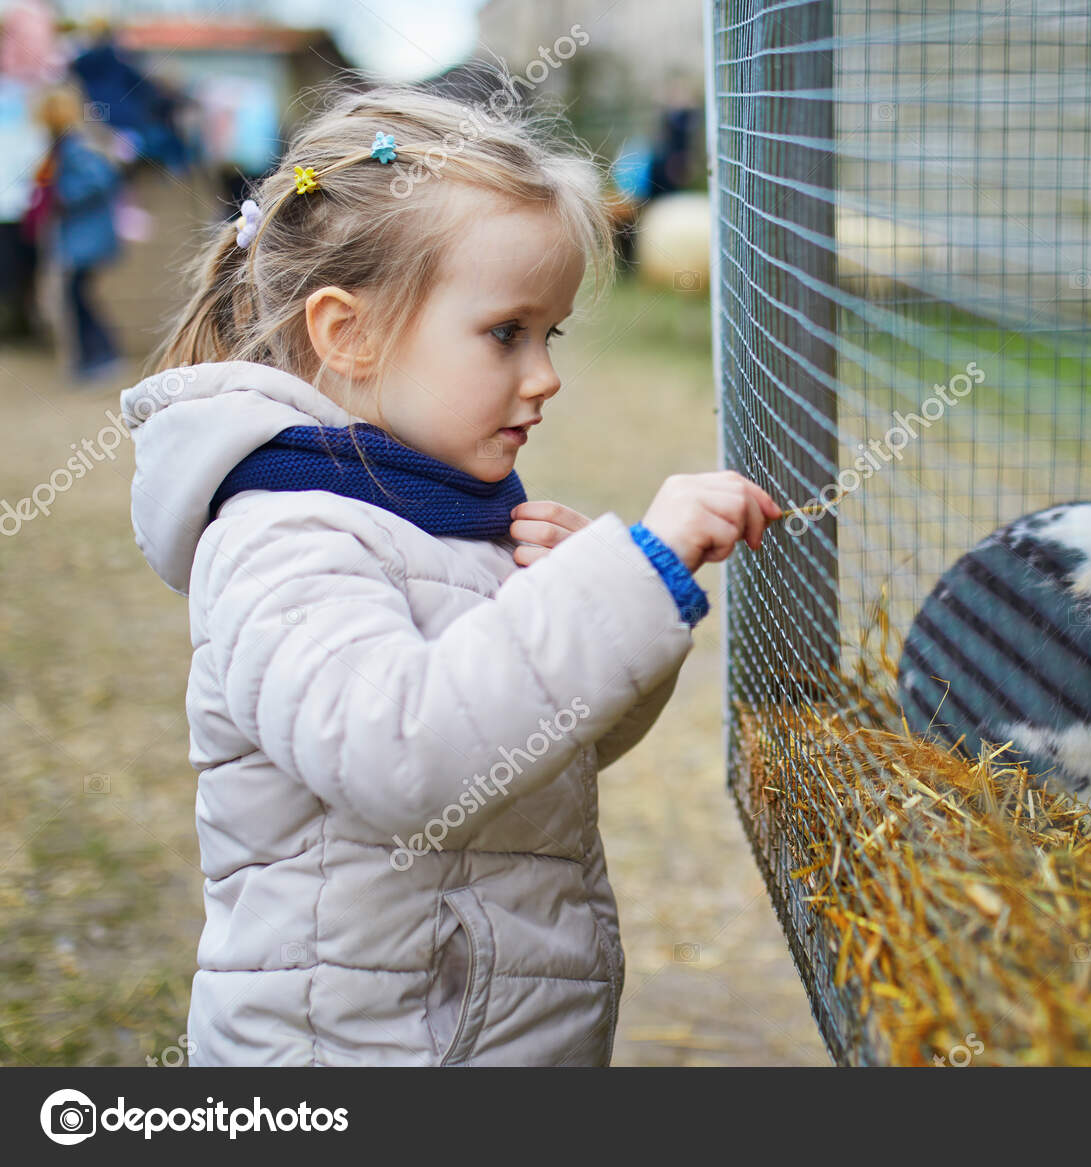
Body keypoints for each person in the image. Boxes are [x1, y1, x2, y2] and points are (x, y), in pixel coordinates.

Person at [119, 77, 779, 1066]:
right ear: (350, 333)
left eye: (548, 334)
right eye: (505, 332)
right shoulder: (283, 537)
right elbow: (405, 753)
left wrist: (604, 603)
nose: (545, 374)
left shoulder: (447, 511)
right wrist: (621, 583)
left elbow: (556, 745)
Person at [34, 84, 122, 380]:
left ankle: (100, 357)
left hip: (86, 235)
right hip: (80, 234)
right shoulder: (67, 144)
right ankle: (94, 357)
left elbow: (100, 180)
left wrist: (63, 195)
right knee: (77, 294)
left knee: (77, 294)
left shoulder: (73, 145)